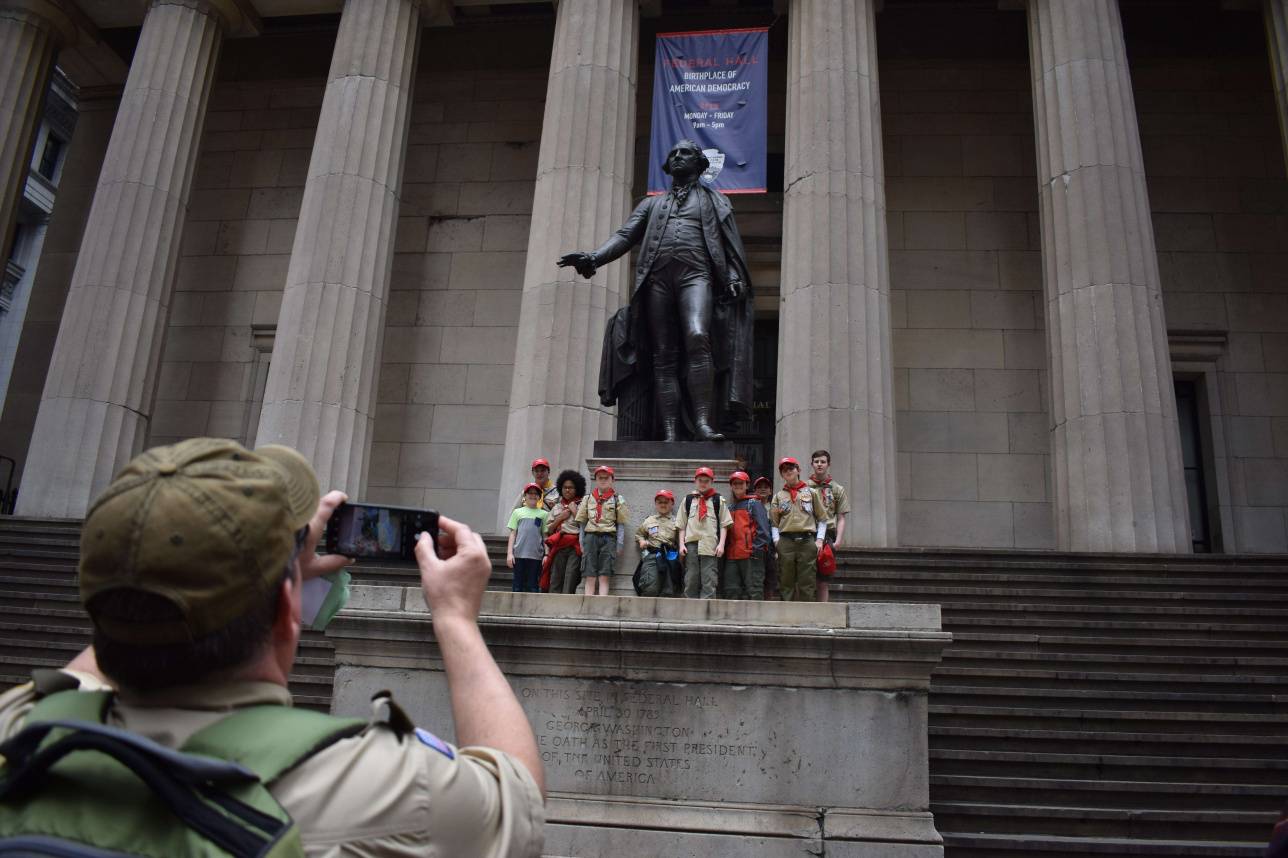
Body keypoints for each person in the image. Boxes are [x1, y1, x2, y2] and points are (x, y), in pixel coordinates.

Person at [0, 437, 544, 856]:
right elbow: (518, 800)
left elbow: (105, 646)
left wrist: (267, 574)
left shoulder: (20, 729)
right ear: (288, 610)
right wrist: (455, 619)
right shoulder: (380, 786)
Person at [559, 139, 755, 442]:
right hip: (657, 281)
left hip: (696, 275)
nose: (677, 157)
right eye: (673, 153)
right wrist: (595, 257)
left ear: (700, 164)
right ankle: (669, 431)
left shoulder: (715, 202)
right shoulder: (652, 204)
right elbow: (626, 235)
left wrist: (732, 275)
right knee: (664, 355)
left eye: (684, 153)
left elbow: (728, 246)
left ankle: (703, 422)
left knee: (698, 336)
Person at [768, 456, 827, 602]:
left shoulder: (811, 493)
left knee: (807, 579)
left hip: (807, 540)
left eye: (791, 468)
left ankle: (807, 614)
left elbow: (822, 518)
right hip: (786, 540)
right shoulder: (778, 496)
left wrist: (819, 540)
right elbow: (775, 523)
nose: (788, 472)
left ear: (798, 470)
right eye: (784, 470)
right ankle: (786, 612)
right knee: (785, 578)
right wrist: (776, 541)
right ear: (781, 474)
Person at [675, 466, 732, 599]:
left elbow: (724, 524)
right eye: (700, 480)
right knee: (691, 577)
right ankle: (690, 607)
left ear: (712, 482)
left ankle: (707, 609)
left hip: (710, 545)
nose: (703, 483)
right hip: (691, 545)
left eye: (706, 480)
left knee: (709, 577)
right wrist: (681, 544)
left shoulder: (718, 500)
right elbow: (681, 525)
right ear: (695, 481)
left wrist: (721, 544)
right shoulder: (688, 500)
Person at [574, 465, 629, 596]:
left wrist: (619, 544)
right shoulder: (588, 498)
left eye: (606, 478)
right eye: (600, 478)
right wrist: (581, 542)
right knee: (589, 573)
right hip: (590, 537)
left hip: (608, 538)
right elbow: (582, 523)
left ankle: (601, 603)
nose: (603, 480)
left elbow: (621, 524)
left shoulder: (618, 499)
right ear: (596, 479)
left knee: (605, 574)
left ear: (612, 480)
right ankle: (588, 602)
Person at [808, 449, 851, 602]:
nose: (819, 465)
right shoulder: (804, 487)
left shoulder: (837, 489)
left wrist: (838, 540)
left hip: (827, 536)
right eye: (817, 462)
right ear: (812, 464)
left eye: (823, 462)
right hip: (808, 534)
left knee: (823, 578)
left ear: (828, 464)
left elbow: (841, 517)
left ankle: (822, 612)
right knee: (806, 577)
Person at [724, 471, 772, 600]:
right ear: (731, 486)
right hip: (732, 556)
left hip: (751, 555)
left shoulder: (755, 503)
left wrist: (755, 549)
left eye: (741, 483)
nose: (738, 486)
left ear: (747, 485)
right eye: (735, 483)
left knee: (754, 590)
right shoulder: (730, 507)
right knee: (731, 590)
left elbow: (764, 531)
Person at [543, 469, 585, 594]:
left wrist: (575, 512)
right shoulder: (557, 507)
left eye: (571, 487)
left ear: (577, 488)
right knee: (556, 577)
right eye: (565, 487)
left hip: (574, 546)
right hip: (558, 546)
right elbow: (548, 530)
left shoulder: (583, 505)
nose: (567, 490)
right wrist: (560, 518)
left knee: (570, 577)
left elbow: (586, 527)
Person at [635, 489, 680, 597]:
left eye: (666, 502)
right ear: (656, 504)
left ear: (672, 503)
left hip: (669, 556)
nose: (663, 505)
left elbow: (681, 540)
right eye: (660, 502)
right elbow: (639, 534)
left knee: (668, 590)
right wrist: (641, 541)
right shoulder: (649, 520)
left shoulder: (677, 521)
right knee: (650, 587)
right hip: (652, 555)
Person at [506, 483, 548, 593]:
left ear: (539, 497)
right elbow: (513, 534)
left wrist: (546, 554)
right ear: (525, 496)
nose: (533, 496)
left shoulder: (544, 514)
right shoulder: (517, 512)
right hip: (519, 554)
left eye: (536, 493)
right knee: (517, 585)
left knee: (533, 585)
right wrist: (510, 554)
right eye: (530, 493)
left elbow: (545, 536)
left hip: (536, 556)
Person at [754, 475, 780, 599]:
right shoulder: (751, 506)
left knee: (770, 580)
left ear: (770, 491)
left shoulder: (775, 509)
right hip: (756, 549)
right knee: (756, 580)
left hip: (771, 550)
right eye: (759, 487)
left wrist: (777, 550)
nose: (763, 490)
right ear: (755, 491)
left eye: (766, 487)